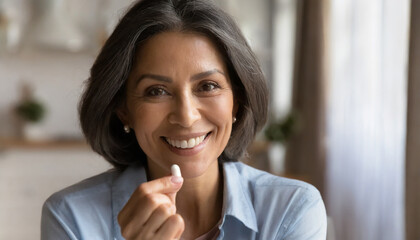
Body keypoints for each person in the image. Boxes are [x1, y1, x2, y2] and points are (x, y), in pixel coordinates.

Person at [41, 0, 327, 239]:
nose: (186, 116)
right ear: (123, 108)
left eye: (208, 86)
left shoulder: (292, 209)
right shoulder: (71, 217)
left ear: (236, 100)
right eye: (156, 91)